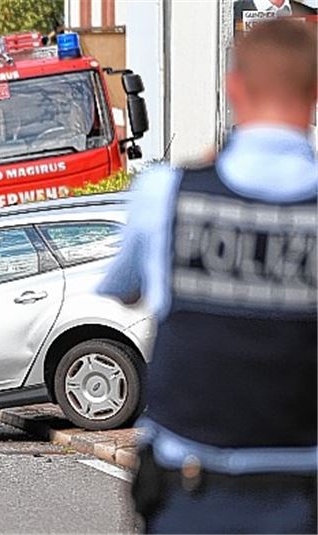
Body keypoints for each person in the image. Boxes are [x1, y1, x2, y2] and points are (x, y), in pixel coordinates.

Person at [97, 19, 316, 533]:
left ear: (233, 88)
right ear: (313, 93)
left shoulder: (167, 194)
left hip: (194, 496)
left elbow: (123, 288)